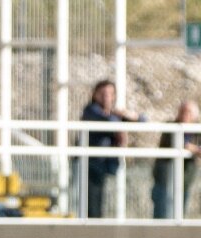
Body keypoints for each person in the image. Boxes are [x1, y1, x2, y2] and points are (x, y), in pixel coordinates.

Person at [79, 80, 143, 218]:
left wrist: (132, 116)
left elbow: (143, 121)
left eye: (110, 94)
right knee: (91, 205)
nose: (106, 97)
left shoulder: (113, 114)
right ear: (95, 95)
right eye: (102, 93)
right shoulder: (91, 110)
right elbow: (107, 122)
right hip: (91, 165)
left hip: (106, 165)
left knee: (102, 203)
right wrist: (120, 118)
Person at [151, 100, 201, 219]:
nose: (184, 115)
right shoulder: (171, 126)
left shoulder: (197, 130)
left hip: (185, 180)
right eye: (182, 111)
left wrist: (193, 148)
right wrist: (192, 148)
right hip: (165, 179)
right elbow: (176, 143)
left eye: (188, 112)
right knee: (162, 212)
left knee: (179, 214)